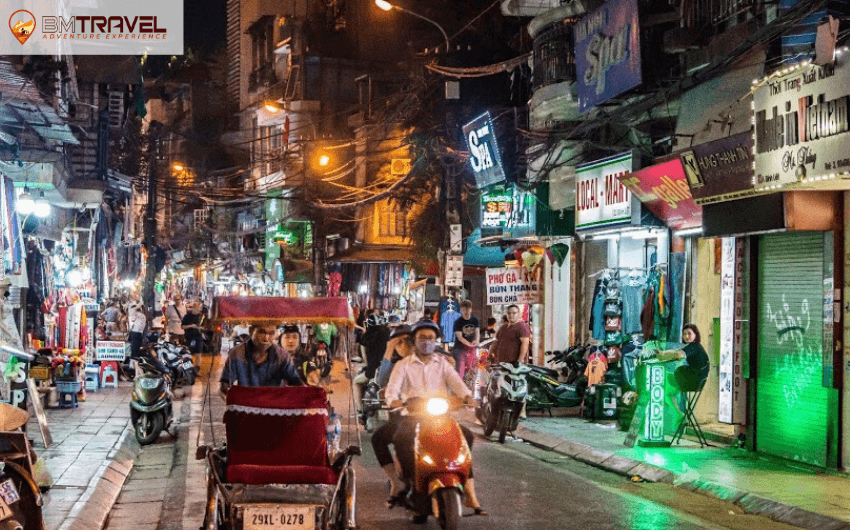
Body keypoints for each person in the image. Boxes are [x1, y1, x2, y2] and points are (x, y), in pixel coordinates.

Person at [373, 319, 486, 518]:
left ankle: (469, 489)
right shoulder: (403, 365)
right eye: (422, 338)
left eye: (431, 338)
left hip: (440, 417)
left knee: (466, 437)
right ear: (414, 340)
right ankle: (404, 482)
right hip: (413, 416)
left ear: (436, 341)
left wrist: (467, 397)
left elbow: (457, 383)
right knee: (400, 438)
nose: (427, 342)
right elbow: (392, 390)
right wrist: (394, 401)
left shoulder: (442, 363)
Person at [219, 324, 303, 399]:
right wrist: (233, 401)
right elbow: (224, 384)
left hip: (273, 406)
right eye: (261, 332)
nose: (266, 338)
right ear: (251, 331)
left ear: (276, 334)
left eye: (271, 333)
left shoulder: (282, 355)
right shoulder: (237, 353)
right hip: (246, 406)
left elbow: (296, 383)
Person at [653, 323, 710, 399]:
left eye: (689, 334)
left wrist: (662, 355)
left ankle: (674, 408)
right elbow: (678, 351)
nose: (686, 336)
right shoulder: (696, 346)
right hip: (697, 383)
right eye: (684, 334)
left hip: (692, 382)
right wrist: (665, 353)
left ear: (695, 334)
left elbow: (679, 354)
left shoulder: (694, 346)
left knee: (665, 382)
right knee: (667, 380)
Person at [450, 300, 480, 380]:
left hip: (472, 349)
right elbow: (460, 337)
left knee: (475, 370)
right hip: (459, 349)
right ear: (460, 310)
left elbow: (477, 333)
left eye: (467, 309)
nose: (466, 312)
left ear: (471, 309)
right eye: (463, 310)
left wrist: (476, 341)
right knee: (461, 371)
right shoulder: (458, 322)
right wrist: (469, 344)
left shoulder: (475, 320)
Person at [361, 313, 390, 380]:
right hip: (385, 370)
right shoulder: (387, 333)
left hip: (372, 371)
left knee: (356, 382)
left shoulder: (365, 336)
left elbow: (364, 356)